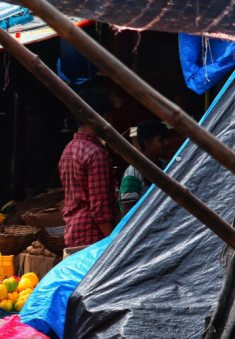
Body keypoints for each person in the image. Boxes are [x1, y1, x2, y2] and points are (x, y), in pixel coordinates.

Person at [59, 89, 118, 248]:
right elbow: (100, 212)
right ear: (99, 117)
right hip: (93, 240)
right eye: (107, 117)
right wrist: (114, 243)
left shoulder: (68, 150)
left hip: (73, 234)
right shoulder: (96, 154)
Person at [119, 120, 169, 217]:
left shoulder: (163, 166)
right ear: (147, 144)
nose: (167, 143)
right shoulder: (133, 173)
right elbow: (127, 217)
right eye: (161, 140)